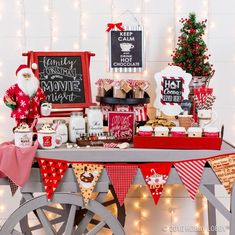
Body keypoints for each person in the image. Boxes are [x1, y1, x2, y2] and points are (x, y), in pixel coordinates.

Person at [4, 64, 47, 131]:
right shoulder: (14, 87)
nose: (27, 77)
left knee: (32, 127)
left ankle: (33, 137)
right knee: (21, 128)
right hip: (20, 112)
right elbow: (7, 95)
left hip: (33, 112)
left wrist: (45, 104)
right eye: (24, 75)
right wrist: (10, 103)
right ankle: (20, 138)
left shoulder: (36, 88)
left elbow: (42, 97)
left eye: (28, 75)